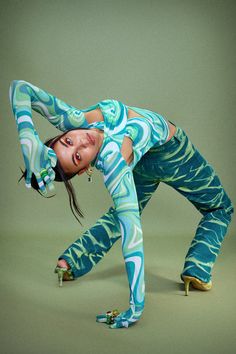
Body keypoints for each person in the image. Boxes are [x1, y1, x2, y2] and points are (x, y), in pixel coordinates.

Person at [9, 80, 234, 329]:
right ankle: (198, 268)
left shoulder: (75, 120)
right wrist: (135, 308)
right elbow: (132, 235)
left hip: (148, 157)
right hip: (175, 155)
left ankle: (72, 261)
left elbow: (21, 88)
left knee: (119, 215)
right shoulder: (114, 163)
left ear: (63, 133)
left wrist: (27, 138)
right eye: (77, 157)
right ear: (85, 169)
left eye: (67, 141)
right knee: (220, 208)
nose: (81, 142)